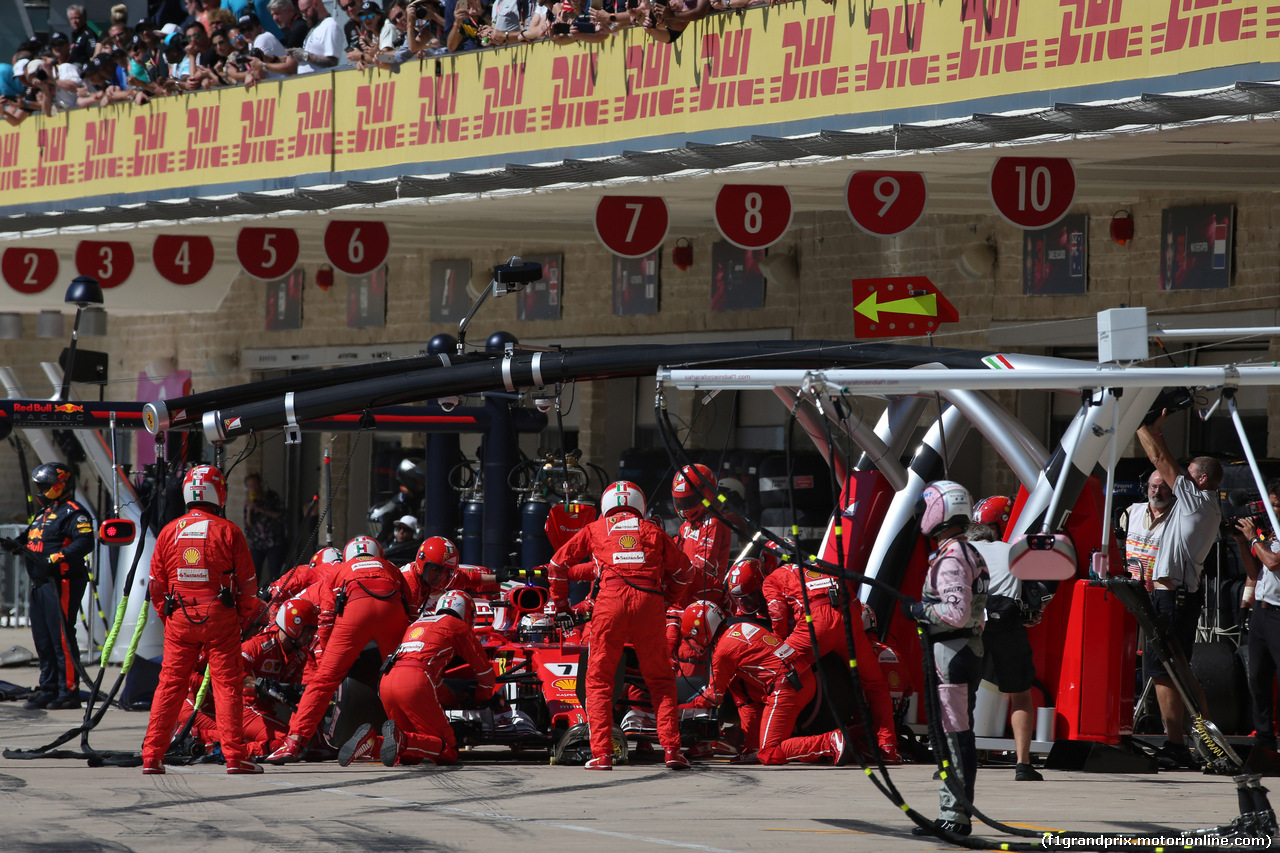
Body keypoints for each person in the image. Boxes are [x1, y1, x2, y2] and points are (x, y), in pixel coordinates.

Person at [547, 480, 693, 769]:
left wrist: (562, 606)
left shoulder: (594, 529)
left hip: (610, 603)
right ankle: (672, 751)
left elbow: (556, 566)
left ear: (605, 507)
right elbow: (685, 571)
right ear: (640, 505)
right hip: (649, 601)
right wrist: (666, 601)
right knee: (661, 681)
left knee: (599, 681)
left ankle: (602, 755)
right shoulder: (653, 530)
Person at [140, 464, 263, 775]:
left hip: (180, 617)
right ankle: (235, 757)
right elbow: (248, 587)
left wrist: (168, 618)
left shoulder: (169, 531)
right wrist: (240, 619)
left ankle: (152, 756)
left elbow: (155, 585)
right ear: (218, 493)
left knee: (169, 686)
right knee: (227, 687)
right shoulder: (228, 530)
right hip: (220, 618)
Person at [266, 535, 410, 761]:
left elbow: (325, 615)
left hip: (348, 615)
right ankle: (409, 736)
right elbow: (409, 605)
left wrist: (326, 650)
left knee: (323, 681)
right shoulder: (391, 567)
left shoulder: (336, 572)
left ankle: (293, 742)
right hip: (390, 611)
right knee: (401, 677)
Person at [1136, 412, 1222, 770]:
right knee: (1173, 670)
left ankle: (1182, 745)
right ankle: (1199, 743)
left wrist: (1141, 426)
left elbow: (1160, 460)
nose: (1177, 480)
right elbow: (1165, 461)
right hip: (1173, 595)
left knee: (1168, 671)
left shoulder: (1197, 500)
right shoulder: (1196, 503)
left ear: (1200, 479)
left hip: (1174, 598)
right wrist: (1155, 431)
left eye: (1187, 475)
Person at [904, 480, 989, 837]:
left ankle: (954, 816)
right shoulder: (968, 551)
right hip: (965, 650)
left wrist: (920, 610)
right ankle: (954, 812)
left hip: (951, 654)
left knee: (952, 737)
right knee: (954, 735)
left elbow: (955, 611)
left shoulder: (952, 556)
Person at [764, 557, 902, 764]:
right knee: (875, 684)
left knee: (774, 671)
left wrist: (781, 641)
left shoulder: (775, 576)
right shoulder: (823, 565)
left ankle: (774, 741)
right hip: (849, 622)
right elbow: (855, 601)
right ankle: (888, 748)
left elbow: (776, 612)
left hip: (815, 625)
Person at [680, 600, 849, 766]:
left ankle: (828, 741)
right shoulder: (742, 627)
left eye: (691, 637)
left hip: (785, 688)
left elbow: (713, 697)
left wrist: (680, 708)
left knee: (769, 753)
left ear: (700, 631)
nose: (692, 643)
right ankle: (753, 746)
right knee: (738, 684)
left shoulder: (722, 653)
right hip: (804, 678)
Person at [339, 589, 496, 766]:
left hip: (387, 681)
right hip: (415, 681)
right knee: (448, 750)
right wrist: (480, 698)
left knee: (410, 755)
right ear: (468, 613)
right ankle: (400, 739)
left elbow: (435, 684)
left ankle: (372, 743)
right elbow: (485, 674)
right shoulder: (458, 626)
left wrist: (453, 699)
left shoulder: (417, 624)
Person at [1, 463, 94, 711]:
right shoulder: (44, 513)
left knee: (61, 639)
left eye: (44, 486)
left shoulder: (75, 513)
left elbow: (85, 542)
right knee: (42, 640)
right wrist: (14, 545)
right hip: (40, 584)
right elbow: (30, 538)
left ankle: (69, 691)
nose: (40, 490)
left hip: (61, 582)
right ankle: (49, 688)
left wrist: (56, 558)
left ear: (60, 485)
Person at [969, 496, 1044, 782]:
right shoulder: (1013, 551)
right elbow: (1036, 598)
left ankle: (951, 763)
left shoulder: (957, 551)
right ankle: (1023, 765)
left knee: (959, 694)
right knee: (1020, 694)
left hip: (972, 618)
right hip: (1007, 619)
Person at [1234, 478, 1280, 764]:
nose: (1273, 510)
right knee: (1259, 677)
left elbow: (1274, 563)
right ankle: (1264, 739)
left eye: (1278, 505)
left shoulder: (1268, 538)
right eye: (1271, 505)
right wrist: (1242, 542)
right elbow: (1256, 570)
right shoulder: (1269, 535)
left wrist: (1254, 539)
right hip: (1262, 612)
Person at [671, 464, 732, 606]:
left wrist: (675, 572)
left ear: (706, 495)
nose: (683, 508)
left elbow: (704, 564)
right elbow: (674, 552)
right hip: (687, 586)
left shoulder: (714, 523)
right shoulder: (686, 524)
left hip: (707, 592)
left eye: (688, 501)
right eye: (680, 501)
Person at [1122, 471, 1174, 592]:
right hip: (1129, 589)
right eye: (1153, 487)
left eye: (1163, 488)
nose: (1157, 492)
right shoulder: (1131, 512)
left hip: (1161, 590)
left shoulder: (1178, 515)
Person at [244, 473, 288, 584]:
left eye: (255, 484)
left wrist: (262, 510)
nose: (253, 488)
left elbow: (281, 515)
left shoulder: (272, 497)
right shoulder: (250, 502)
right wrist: (250, 510)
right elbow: (248, 526)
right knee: (253, 575)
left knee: (275, 574)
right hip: (257, 543)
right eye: (250, 486)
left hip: (274, 542)